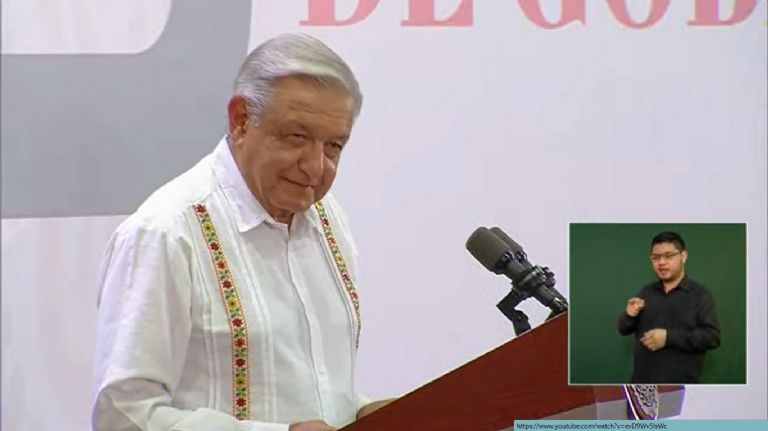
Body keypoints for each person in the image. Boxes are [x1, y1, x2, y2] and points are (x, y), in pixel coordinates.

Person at [93, 33, 391, 431]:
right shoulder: (166, 234)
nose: (316, 167)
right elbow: (122, 415)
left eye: (334, 146)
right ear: (240, 121)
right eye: (297, 137)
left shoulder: (327, 218)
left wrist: (363, 414)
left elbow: (312, 385)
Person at [617, 231, 721, 384]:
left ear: (683, 256)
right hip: (641, 385)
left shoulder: (699, 295)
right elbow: (623, 329)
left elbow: (712, 337)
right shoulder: (646, 292)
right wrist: (629, 315)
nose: (661, 262)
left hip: (679, 386)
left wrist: (668, 338)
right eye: (656, 258)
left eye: (668, 256)